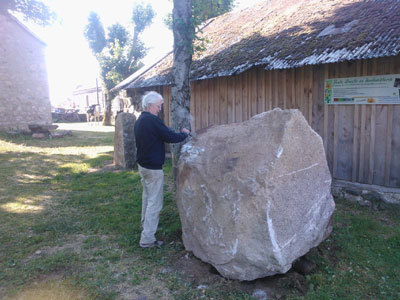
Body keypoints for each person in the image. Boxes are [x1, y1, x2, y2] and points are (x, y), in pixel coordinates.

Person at [134, 91, 190, 248]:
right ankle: (147, 239)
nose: (160, 109)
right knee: (155, 203)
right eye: (158, 106)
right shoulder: (152, 120)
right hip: (152, 169)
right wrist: (183, 135)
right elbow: (169, 137)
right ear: (150, 105)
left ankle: (145, 227)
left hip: (143, 166)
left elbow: (161, 133)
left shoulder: (140, 120)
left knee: (147, 197)